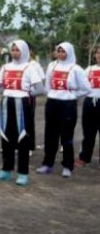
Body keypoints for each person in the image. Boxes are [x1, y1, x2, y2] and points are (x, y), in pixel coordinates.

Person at [0, 40, 43, 186]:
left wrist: (25, 92)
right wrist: (8, 92)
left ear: (24, 51)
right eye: (12, 49)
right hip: (7, 103)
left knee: (22, 137)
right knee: (6, 135)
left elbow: (39, 88)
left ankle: (23, 173)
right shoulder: (6, 67)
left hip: (22, 103)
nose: (14, 52)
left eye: (17, 50)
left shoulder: (29, 68)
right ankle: (6, 170)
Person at [36, 42, 91, 177]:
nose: (60, 54)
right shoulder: (52, 66)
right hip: (52, 102)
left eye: (63, 51)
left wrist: (72, 96)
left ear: (69, 52)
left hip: (68, 105)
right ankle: (48, 164)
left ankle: (68, 165)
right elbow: (48, 84)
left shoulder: (76, 68)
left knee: (66, 136)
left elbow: (86, 88)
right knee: (50, 135)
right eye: (58, 51)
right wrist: (52, 95)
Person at [77, 45, 100, 167]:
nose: (98, 55)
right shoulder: (89, 69)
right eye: (97, 53)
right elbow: (81, 84)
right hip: (89, 103)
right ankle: (84, 158)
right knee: (88, 132)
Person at [26, 45, 46, 155]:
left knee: (28, 121)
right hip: (17, 96)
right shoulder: (18, 64)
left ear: (31, 52)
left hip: (29, 95)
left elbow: (42, 79)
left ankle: (29, 146)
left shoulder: (35, 65)